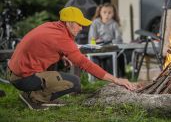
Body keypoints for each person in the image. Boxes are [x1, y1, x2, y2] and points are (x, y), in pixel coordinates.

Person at [7, 6, 136, 110]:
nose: (81, 28)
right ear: (69, 23)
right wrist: (116, 79)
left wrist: (62, 55)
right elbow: (85, 64)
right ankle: (35, 99)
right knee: (74, 83)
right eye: (79, 24)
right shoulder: (62, 38)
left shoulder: (51, 26)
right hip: (23, 78)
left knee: (62, 72)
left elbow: (47, 47)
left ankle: (31, 93)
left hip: (14, 72)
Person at [88, 3, 125, 77]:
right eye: (104, 12)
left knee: (120, 55)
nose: (107, 15)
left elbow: (119, 39)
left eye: (109, 12)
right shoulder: (95, 23)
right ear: (100, 12)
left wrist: (109, 42)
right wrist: (97, 41)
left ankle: (118, 76)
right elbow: (92, 39)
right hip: (98, 49)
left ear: (113, 14)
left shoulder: (114, 24)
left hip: (110, 48)